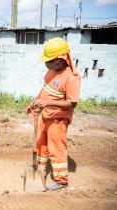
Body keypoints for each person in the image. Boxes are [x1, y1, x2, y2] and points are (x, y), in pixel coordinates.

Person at [27, 37, 81, 190]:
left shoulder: (72, 77)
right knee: (41, 144)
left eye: (49, 60)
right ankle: (41, 170)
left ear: (61, 59)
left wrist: (47, 103)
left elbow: (72, 103)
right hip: (45, 115)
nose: (46, 63)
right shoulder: (52, 71)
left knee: (56, 148)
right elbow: (46, 90)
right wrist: (35, 101)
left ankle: (61, 180)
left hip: (58, 119)